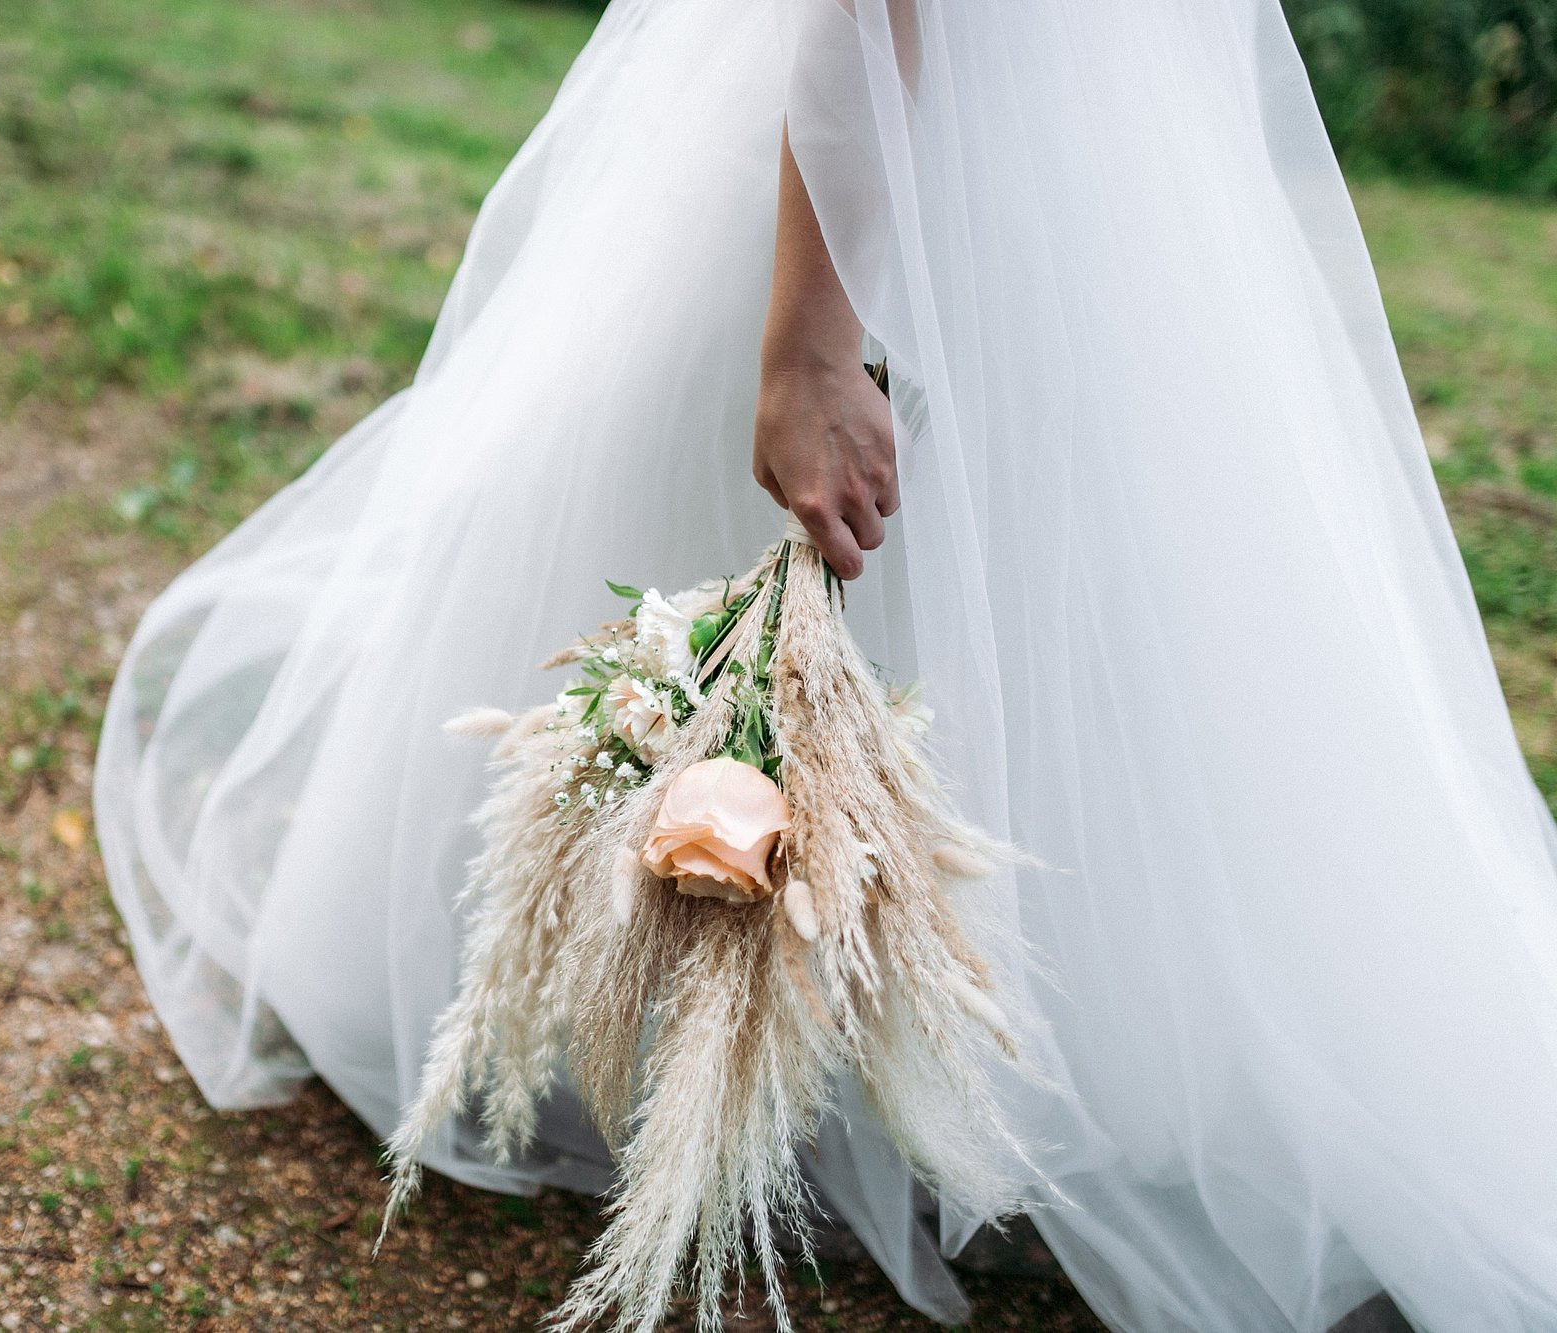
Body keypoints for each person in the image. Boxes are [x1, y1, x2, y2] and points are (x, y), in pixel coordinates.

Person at [94, 0, 1557, 1327]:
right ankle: (744, 1011)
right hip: (1063, 154)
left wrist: (808, 339)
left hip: (968, 140)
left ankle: (889, 1039)